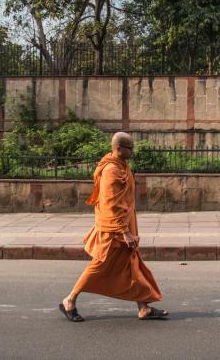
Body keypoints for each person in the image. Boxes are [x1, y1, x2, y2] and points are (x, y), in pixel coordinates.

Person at [59, 132, 168, 322]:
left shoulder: (122, 166)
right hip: (114, 230)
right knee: (99, 264)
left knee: (132, 265)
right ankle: (69, 300)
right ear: (118, 148)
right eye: (130, 148)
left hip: (124, 226)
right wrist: (124, 232)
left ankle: (143, 307)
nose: (133, 152)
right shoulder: (111, 171)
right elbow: (112, 204)